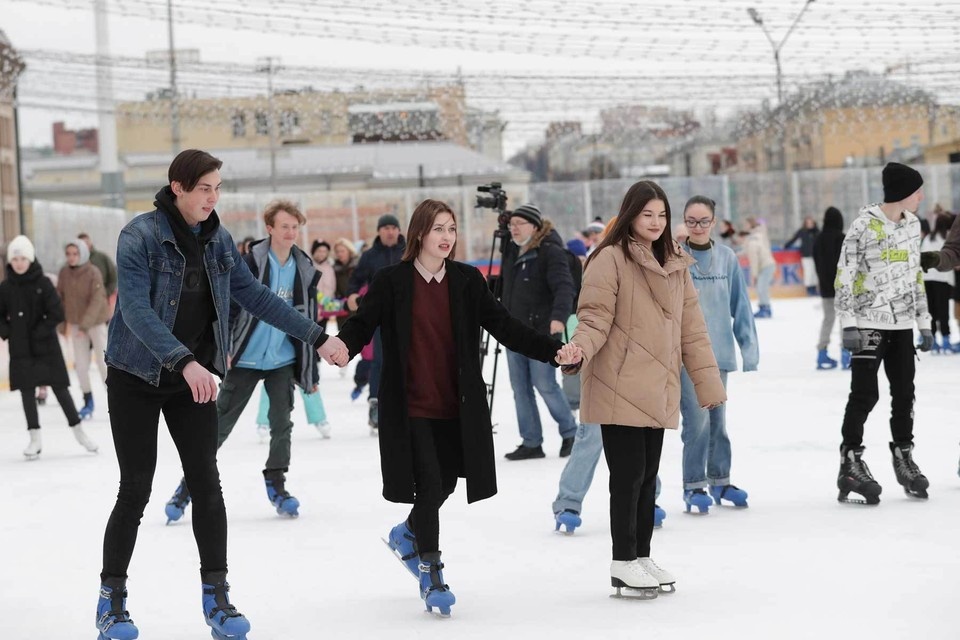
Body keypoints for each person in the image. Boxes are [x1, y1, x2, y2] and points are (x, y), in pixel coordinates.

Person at [95, 149, 347, 640]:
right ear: (178, 188)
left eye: (217, 188)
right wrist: (185, 361)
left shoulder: (219, 241)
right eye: (203, 188)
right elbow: (136, 311)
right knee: (136, 488)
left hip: (195, 376)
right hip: (137, 376)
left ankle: (218, 599)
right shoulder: (139, 235)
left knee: (207, 484)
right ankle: (112, 601)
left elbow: (254, 296)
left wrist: (318, 336)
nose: (212, 197)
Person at [334, 199, 581, 617]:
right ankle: (431, 570)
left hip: (456, 405)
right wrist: (339, 348)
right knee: (429, 483)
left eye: (451, 229)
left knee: (445, 483)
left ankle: (409, 533)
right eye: (438, 229)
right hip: (411, 405)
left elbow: (505, 327)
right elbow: (360, 326)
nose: (447, 237)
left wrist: (553, 352)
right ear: (419, 235)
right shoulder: (392, 281)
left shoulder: (467, 281)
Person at [567, 180, 725, 598]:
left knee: (647, 476)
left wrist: (707, 382)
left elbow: (693, 329)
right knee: (628, 476)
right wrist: (578, 350)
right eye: (646, 215)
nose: (655, 223)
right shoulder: (609, 259)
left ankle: (640, 556)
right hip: (618, 382)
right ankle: (623, 561)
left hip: (657, 385)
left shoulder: (676, 262)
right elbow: (595, 317)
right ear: (631, 215)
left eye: (661, 215)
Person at [164, 198, 330, 527]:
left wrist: (310, 368)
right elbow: (225, 304)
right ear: (269, 228)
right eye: (284, 226)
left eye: (295, 227)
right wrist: (223, 346)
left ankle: (277, 483)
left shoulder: (304, 267)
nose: (291, 232)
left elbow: (309, 317)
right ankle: (188, 486)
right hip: (245, 357)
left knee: (282, 423)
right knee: (217, 426)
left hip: (282, 359)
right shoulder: (250, 262)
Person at [835, 162, 932, 507]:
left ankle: (904, 457)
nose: (922, 196)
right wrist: (847, 322)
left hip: (903, 324)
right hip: (867, 323)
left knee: (904, 393)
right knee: (865, 394)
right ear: (904, 192)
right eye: (918, 190)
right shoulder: (863, 226)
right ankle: (850, 462)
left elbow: (915, 274)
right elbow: (845, 274)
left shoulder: (913, 226)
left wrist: (924, 321)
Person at [676, 196, 759, 515]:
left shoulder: (726, 257)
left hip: (719, 351)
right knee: (696, 422)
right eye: (691, 221)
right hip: (686, 354)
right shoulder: (675, 256)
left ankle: (720, 478)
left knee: (718, 421)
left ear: (714, 222)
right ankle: (694, 483)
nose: (698, 227)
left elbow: (740, 305)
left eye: (704, 221)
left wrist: (748, 347)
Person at [0, 235, 98, 459]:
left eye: (23, 258)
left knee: (60, 389)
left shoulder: (42, 283)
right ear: (10, 262)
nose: (19, 263)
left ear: (30, 258)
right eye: (15, 259)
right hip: (21, 349)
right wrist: (8, 332)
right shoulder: (5, 287)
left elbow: (56, 313)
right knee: (27, 392)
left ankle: (79, 432)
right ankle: (34, 439)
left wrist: (40, 332)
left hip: (46, 348)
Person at [500, 203, 577, 460]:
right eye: (512, 225)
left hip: (541, 332)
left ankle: (570, 433)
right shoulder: (513, 252)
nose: (514, 229)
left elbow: (565, 287)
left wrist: (558, 318)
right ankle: (531, 441)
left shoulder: (550, 252)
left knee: (544, 384)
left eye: (519, 224)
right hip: (514, 332)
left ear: (535, 226)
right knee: (520, 388)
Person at [346, 213, 406, 433]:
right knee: (379, 361)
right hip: (381, 316)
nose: (390, 231)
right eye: (386, 227)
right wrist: (352, 295)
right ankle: (376, 404)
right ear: (379, 231)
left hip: (409, 316)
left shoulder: (410, 251)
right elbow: (355, 280)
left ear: (399, 230)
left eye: (394, 227)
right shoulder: (370, 256)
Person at [57, 239, 109, 420]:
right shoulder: (64, 273)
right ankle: (88, 400)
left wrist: (85, 325)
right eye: (68, 254)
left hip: (95, 323)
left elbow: (97, 301)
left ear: (82, 254)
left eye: (75, 254)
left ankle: (114, 399)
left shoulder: (93, 272)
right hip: (77, 324)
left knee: (103, 363)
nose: (71, 257)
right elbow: (59, 298)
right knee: (80, 365)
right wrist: (62, 325)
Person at [812, 207, 847, 370]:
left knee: (828, 319)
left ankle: (822, 352)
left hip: (825, 287)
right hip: (842, 286)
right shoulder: (842, 239)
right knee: (844, 320)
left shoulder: (818, 239)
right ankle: (846, 353)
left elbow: (817, 262)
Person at [919, 214, 955, 353]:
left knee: (931, 310)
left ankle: (933, 342)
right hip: (942, 279)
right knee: (943, 311)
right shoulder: (947, 238)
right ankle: (946, 340)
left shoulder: (928, 238)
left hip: (927, 279)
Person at [743, 216, 776, 318]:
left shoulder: (755, 238)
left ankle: (765, 308)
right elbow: (746, 251)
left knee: (762, 287)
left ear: (751, 225)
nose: (744, 226)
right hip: (766, 264)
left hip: (766, 265)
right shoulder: (753, 236)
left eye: (746, 224)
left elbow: (754, 259)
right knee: (761, 287)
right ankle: (764, 307)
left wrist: (754, 275)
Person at [78, 231, 119, 314]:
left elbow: (113, 277)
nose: (84, 245)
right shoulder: (74, 261)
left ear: (90, 242)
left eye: (86, 242)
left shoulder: (102, 258)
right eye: (81, 243)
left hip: (101, 302)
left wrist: (106, 293)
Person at [784, 216, 820, 295]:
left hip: (816, 255)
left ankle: (814, 288)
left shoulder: (817, 232)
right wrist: (786, 246)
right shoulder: (802, 231)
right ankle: (809, 289)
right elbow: (794, 239)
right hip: (806, 255)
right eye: (808, 223)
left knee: (815, 272)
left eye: (811, 223)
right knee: (808, 272)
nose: (809, 224)